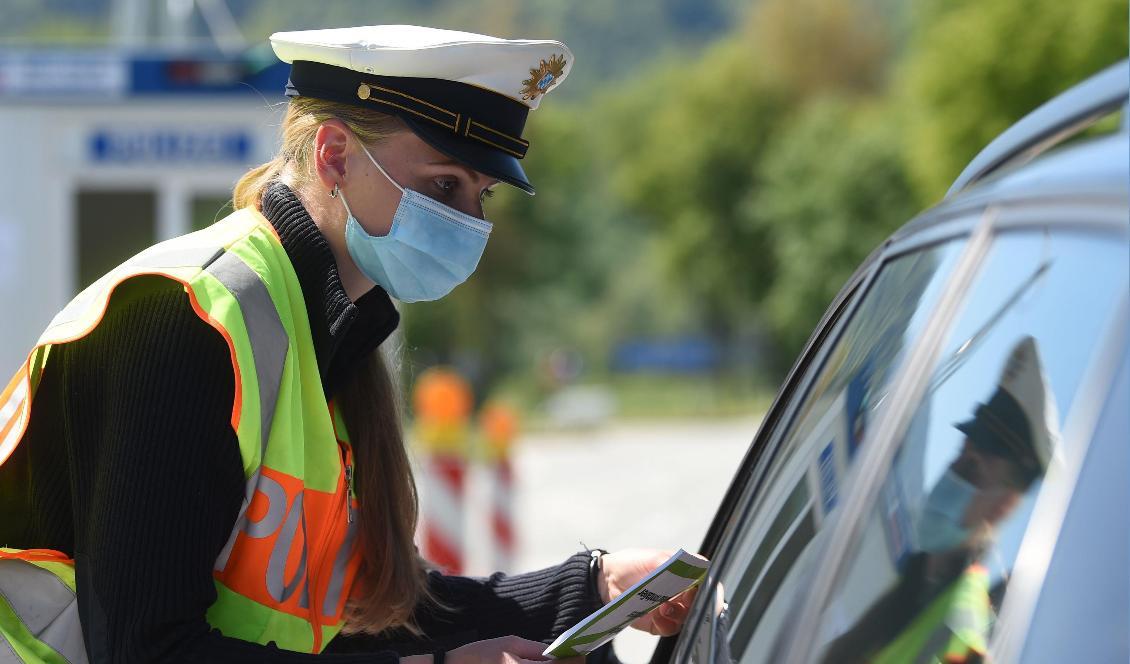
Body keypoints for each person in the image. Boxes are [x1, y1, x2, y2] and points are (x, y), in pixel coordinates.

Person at [0, 25, 696, 663]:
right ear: (334, 155)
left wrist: (594, 587)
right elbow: (149, 650)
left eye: (482, 195)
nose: (469, 223)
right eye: (444, 185)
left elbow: (361, 618)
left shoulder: (332, 330)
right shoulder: (188, 315)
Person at [820, 336, 1059, 664]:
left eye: (973, 468)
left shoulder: (963, 640)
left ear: (1003, 505)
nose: (952, 472)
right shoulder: (915, 584)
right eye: (962, 452)